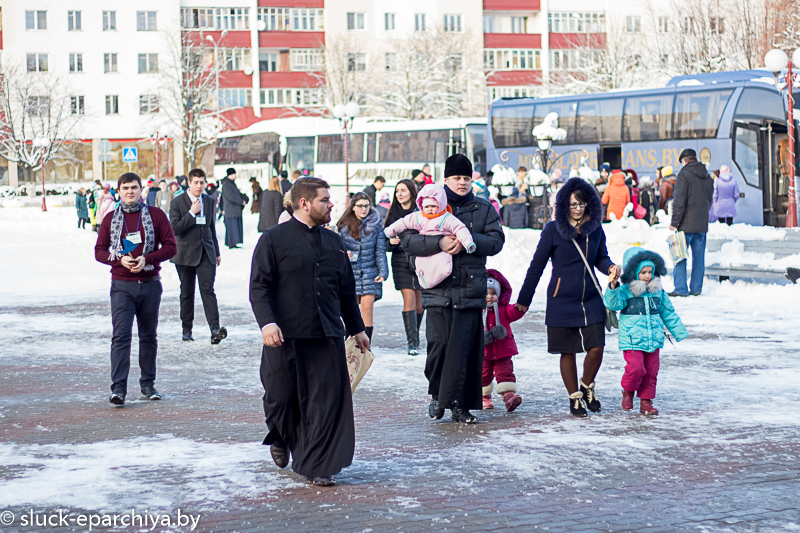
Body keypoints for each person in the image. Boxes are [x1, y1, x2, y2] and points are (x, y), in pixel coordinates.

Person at [250, 177, 369, 487]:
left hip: (326, 335)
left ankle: (317, 465)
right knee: (280, 397)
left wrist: (357, 328)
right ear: (304, 203)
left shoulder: (334, 241)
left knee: (323, 403)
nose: (331, 205)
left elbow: (346, 291)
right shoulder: (273, 239)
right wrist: (267, 323)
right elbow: (259, 287)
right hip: (284, 336)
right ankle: (281, 435)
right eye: (324, 200)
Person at [399, 154, 505, 424]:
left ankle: (462, 405)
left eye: (467, 178)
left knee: (464, 351)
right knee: (438, 346)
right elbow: (407, 240)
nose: (462, 183)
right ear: (445, 180)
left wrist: (467, 240)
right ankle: (438, 395)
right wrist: (439, 243)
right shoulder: (430, 203)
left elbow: (496, 241)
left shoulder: (484, 208)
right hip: (438, 289)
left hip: (470, 290)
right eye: (457, 178)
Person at [517, 177, 621, 417]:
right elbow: (537, 266)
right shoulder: (553, 230)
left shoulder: (595, 229)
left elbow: (600, 257)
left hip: (591, 297)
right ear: (564, 205)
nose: (578, 209)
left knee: (597, 347)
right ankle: (575, 397)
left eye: (582, 204)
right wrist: (524, 300)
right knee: (568, 351)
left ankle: (586, 386)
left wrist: (610, 267)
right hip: (561, 299)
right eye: (573, 204)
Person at [94, 173, 177, 406]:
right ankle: (118, 389)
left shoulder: (156, 215)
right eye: (125, 188)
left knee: (148, 336)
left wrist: (147, 259)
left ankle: (148, 384)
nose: (130, 191)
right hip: (122, 286)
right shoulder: (110, 218)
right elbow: (99, 250)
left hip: (150, 284)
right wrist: (118, 259)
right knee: (121, 336)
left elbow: (171, 246)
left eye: (134, 187)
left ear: (142, 190)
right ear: (119, 191)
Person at [603, 248, 688, 415]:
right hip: (632, 339)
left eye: (650, 272)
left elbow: (668, 313)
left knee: (651, 371)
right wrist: (613, 287)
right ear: (634, 272)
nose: (648, 276)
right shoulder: (625, 291)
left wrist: (679, 332)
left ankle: (646, 402)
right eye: (643, 272)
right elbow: (613, 304)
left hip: (653, 339)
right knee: (635, 368)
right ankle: (628, 392)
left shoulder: (658, 291)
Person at [169, 168, 226, 345]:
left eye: (202, 182)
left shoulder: (209, 200)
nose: (199, 186)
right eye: (196, 183)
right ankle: (187, 330)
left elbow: (211, 227)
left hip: (206, 252)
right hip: (184, 254)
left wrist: (216, 251)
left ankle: (215, 329)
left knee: (208, 290)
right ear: (189, 183)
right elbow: (175, 229)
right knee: (187, 292)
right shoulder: (177, 202)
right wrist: (192, 213)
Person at [385, 183, 477, 290]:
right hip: (425, 249)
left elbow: (460, 228)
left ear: (441, 205)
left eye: (433, 206)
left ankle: (432, 281)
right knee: (422, 265)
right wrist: (390, 231)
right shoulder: (418, 217)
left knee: (444, 268)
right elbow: (403, 222)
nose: (429, 210)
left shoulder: (446, 218)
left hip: (442, 251)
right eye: (427, 207)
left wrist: (468, 243)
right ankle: (426, 281)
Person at [336, 192, 389, 342]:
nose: (363, 209)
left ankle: (366, 346)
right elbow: (337, 248)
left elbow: (380, 250)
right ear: (353, 207)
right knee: (350, 310)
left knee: (367, 308)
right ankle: (349, 345)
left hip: (369, 272)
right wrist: (344, 254)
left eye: (366, 206)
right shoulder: (343, 225)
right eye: (360, 206)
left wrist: (383, 272)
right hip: (350, 273)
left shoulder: (376, 225)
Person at [384, 179, 424, 356]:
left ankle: (415, 335)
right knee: (409, 299)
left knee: (420, 304)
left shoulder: (420, 211)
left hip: (420, 261)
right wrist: (390, 243)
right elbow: (384, 240)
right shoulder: (392, 213)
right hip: (400, 261)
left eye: (403, 190)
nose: (399, 194)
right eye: (397, 191)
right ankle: (412, 342)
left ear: (411, 192)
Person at [669, 149, 714, 297]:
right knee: (699, 258)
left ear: (684, 161)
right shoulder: (707, 176)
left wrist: (675, 222)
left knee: (680, 255)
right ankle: (696, 289)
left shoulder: (683, 175)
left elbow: (679, 201)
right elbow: (709, 201)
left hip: (686, 224)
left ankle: (680, 288)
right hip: (701, 224)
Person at [481, 269, 526, 412]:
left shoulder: (504, 309)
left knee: (505, 373)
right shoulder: (477, 311)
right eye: (486, 293)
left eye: (493, 293)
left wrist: (520, 306)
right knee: (483, 374)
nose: (489, 296)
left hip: (503, 350)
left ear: (499, 294)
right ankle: (484, 397)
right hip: (483, 351)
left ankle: (509, 397)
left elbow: (514, 312)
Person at [220, 168, 247, 249]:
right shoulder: (226, 184)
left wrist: (244, 197)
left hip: (234, 210)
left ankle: (234, 243)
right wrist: (241, 201)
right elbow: (231, 196)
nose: (235, 175)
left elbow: (237, 194)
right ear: (230, 175)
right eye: (234, 174)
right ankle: (231, 243)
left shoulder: (231, 183)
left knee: (235, 227)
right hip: (231, 210)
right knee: (232, 227)